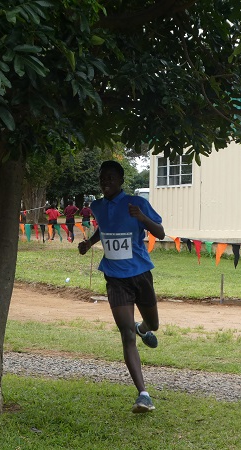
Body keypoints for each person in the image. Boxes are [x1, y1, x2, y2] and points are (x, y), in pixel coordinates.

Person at [78, 160, 165, 413]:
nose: (105, 182)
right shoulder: (97, 206)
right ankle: (143, 395)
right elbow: (105, 229)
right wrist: (90, 243)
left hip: (140, 274)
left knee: (153, 324)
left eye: (111, 177)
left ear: (121, 180)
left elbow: (160, 232)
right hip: (114, 277)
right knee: (126, 334)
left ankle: (143, 328)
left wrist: (142, 217)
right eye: (102, 177)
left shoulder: (136, 203)